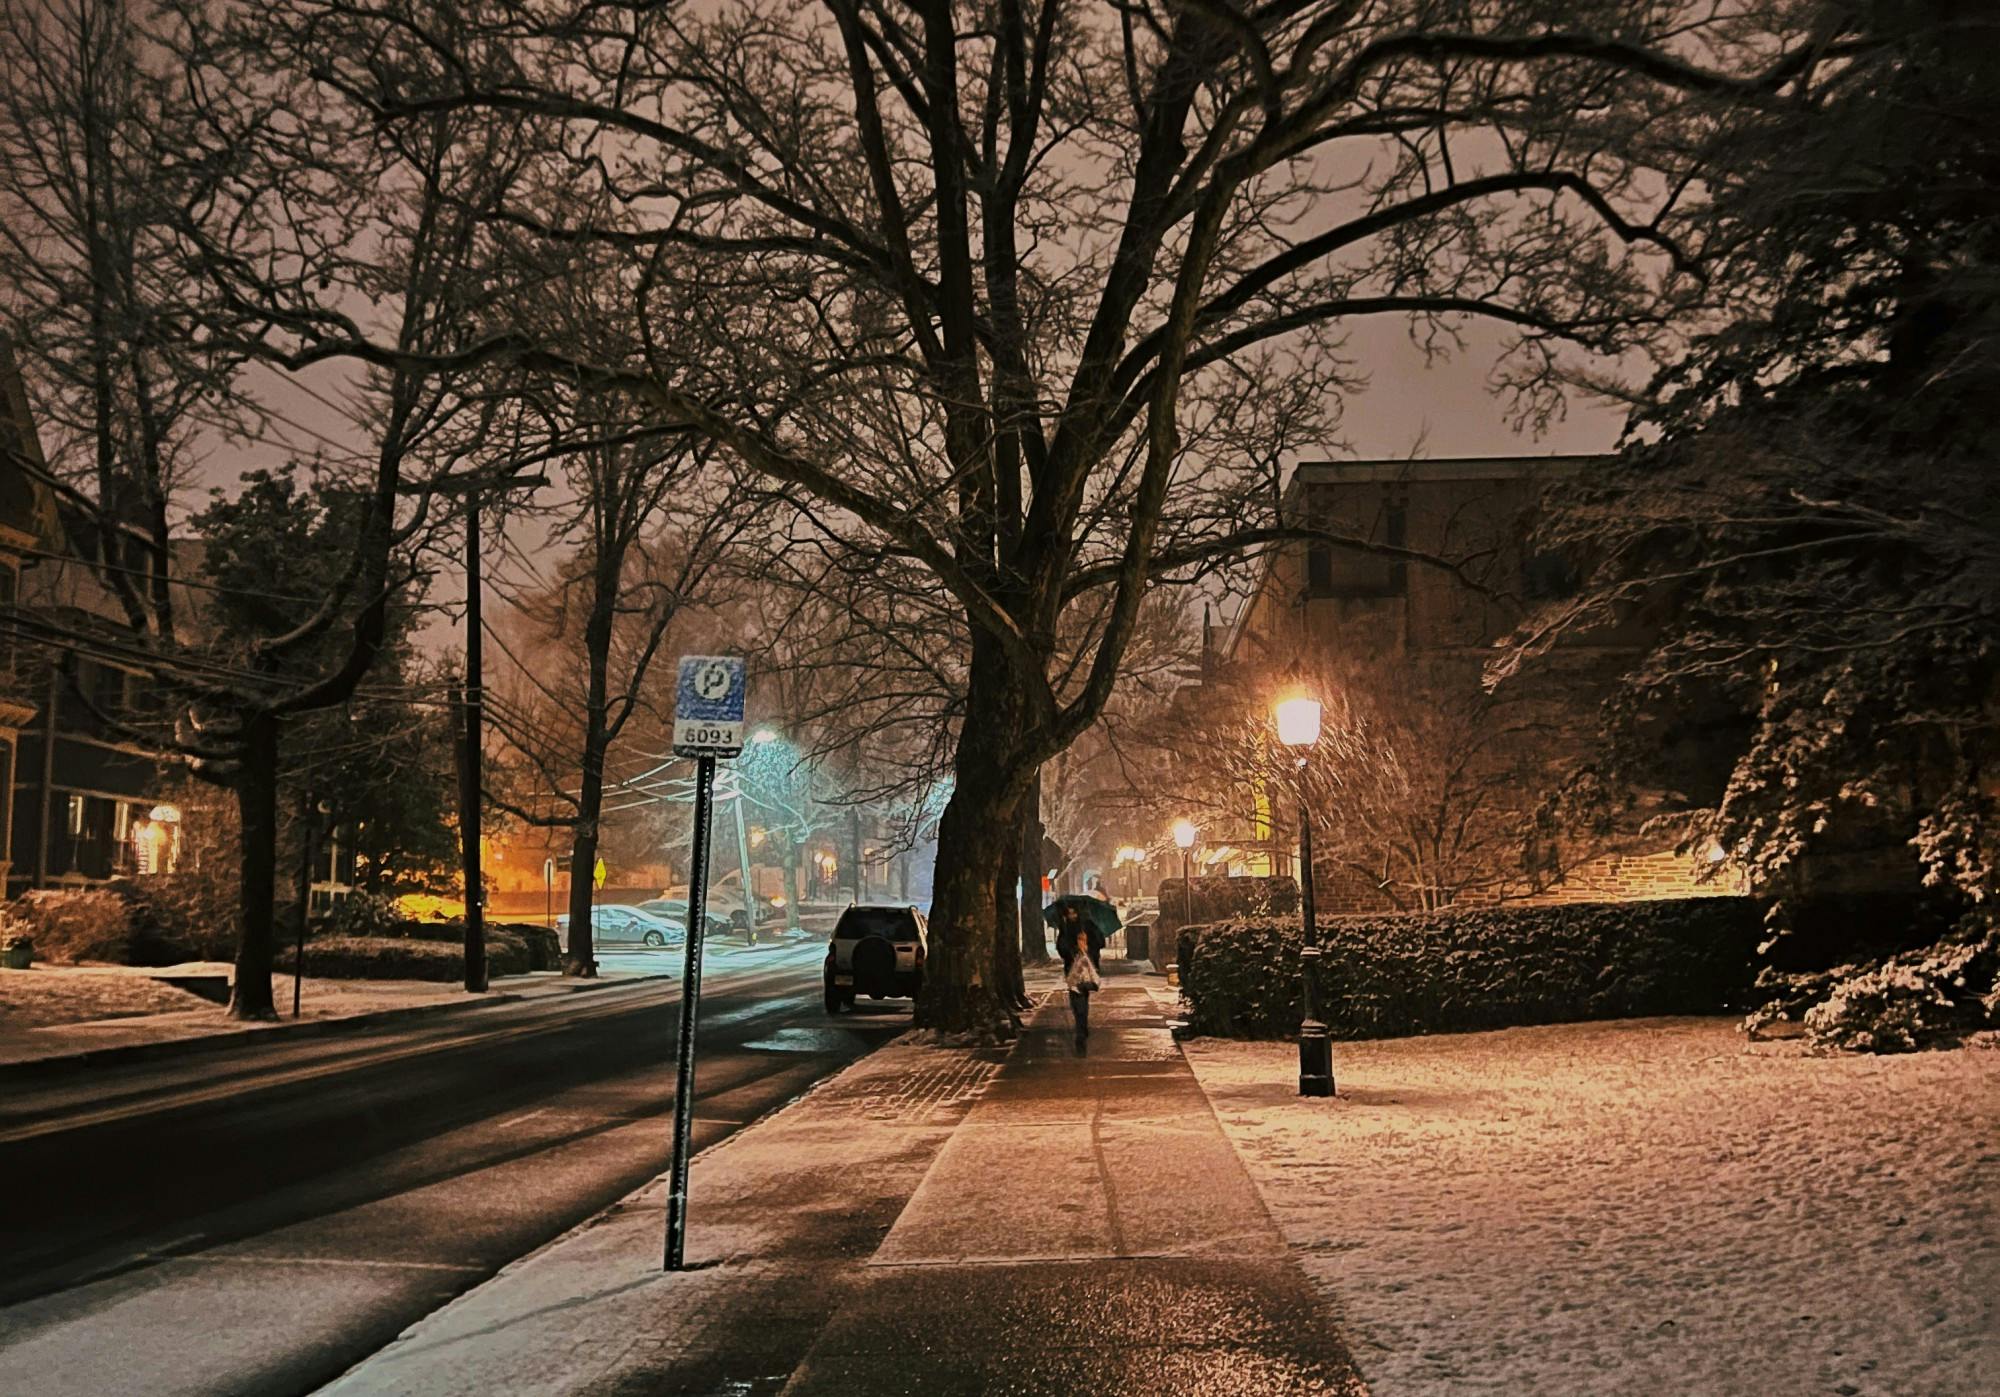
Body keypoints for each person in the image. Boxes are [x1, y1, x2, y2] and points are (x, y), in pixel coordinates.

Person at [1054, 902, 1105, 1053]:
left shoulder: (1088, 925)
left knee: (1082, 998)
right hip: (1072, 969)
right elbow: (1061, 947)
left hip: (1086, 969)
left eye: (1074, 913)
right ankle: (1081, 1026)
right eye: (1069, 914)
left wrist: (1087, 945)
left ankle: (1081, 1032)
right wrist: (1072, 949)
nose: (1071, 916)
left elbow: (1100, 942)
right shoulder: (1065, 927)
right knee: (1076, 1000)